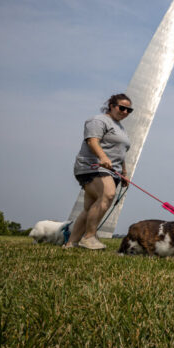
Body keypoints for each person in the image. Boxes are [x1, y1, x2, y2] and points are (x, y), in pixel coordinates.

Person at [64, 93, 133, 250]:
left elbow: (121, 152)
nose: (125, 112)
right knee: (107, 195)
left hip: (112, 171)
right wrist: (102, 157)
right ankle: (89, 237)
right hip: (92, 167)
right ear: (111, 106)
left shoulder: (120, 128)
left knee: (89, 208)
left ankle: (71, 243)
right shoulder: (98, 120)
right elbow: (92, 141)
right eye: (122, 108)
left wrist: (124, 173)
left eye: (129, 110)